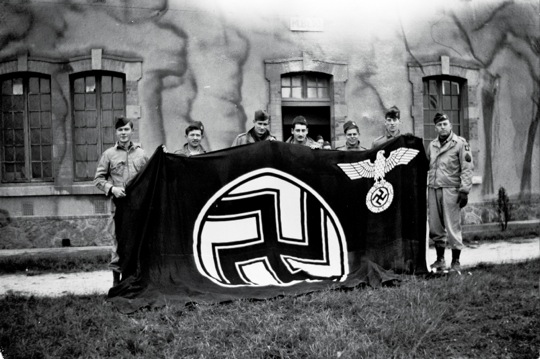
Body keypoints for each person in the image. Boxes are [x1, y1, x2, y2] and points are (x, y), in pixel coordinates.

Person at [94, 117, 149, 286]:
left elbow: (149, 176)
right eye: (120, 130)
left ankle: (137, 278)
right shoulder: (109, 155)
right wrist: (112, 189)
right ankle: (116, 282)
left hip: (138, 206)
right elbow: (98, 179)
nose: (123, 133)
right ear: (116, 133)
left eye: (126, 129)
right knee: (118, 242)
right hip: (119, 206)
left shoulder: (141, 154)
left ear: (132, 131)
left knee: (139, 241)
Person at [427, 112, 473, 273]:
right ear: (436, 128)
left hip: (451, 190)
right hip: (433, 189)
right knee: (435, 226)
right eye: (439, 125)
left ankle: (456, 261)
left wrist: (464, 190)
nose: (442, 127)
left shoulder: (460, 144)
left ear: (450, 125)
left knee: (452, 226)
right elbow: (429, 166)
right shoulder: (432, 145)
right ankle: (440, 260)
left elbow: (467, 168)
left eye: (445, 124)